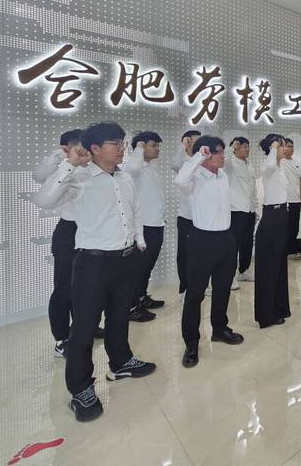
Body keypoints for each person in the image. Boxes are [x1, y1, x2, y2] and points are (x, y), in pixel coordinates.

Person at [34, 122, 156, 422]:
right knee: (85, 327)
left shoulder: (124, 177)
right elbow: (44, 200)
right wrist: (69, 164)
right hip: (93, 262)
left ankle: (121, 361)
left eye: (122, 142)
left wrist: (139, 240)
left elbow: (135, 210)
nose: (121, 148)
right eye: (115, 143)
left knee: (119, 316)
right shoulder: (79, 176)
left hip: (125, 258)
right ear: (95, 148)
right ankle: (81, 388)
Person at [174, 136, 244, 368]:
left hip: (226, 238)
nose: (223, 156)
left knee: (223, 289)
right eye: (218, 152)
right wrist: (197, 157)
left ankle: (220, 329)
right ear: (205, 154)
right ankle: (191, 342)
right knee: (195, 294)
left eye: (223, 151)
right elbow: (179, 180)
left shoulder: (222, 175)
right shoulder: (194, 177)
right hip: (201, 240)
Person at [33, 129, 102, 356]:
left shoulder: (95, 170)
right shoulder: (64, 170)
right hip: (69, 232)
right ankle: (61, 339)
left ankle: (85, 327)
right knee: (64, 289)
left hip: (92, 232)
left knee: (87, 288)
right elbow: (39, 178)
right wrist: (61, 156)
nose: (88, 151)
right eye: (82, 147)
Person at [122, 131, 166, 323]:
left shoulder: (150, 167)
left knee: (146, 267)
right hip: (143, 226)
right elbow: (131, 168)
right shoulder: (134, 166)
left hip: (156, 223)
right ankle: (131, 307)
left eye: (158, 145)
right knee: (138, 269)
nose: (157, 149)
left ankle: (141, 297)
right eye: (153, 145)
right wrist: (138, 148)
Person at [254, 134, 291, 328]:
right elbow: (268, 165)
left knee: (279, 265)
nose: (285, 149)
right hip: (271, 218)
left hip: (282, 216)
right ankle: (267, 315)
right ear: (273, 148)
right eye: (282, 146)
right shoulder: (267, 167)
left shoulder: (279, 167)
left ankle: (280, 306)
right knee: (269, 268)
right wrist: (273, 147)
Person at [224, 136, 257, 291]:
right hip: (236, 210)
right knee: (233, 245)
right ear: (236, 148)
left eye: (248, 146)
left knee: (247, 243)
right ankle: (230, 276)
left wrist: (255, 206)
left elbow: (252, 188)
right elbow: (225, 160)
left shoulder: (249, 164)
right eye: (244, 146)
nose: (247, 149)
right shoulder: (230, 163)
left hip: (249, 209)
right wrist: (231, 147)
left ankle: (244, 270)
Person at [171, 129, 201, 294]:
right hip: (187, 217)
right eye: (194, 141)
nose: (198, 145)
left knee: (201, 254)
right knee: (184, 255)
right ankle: (185, 289)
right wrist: (182, 145)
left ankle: (200, 285)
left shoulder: (203, 161)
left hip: (203, 218)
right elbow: (174, 164)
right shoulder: (184, 162)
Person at [281, 137, 301, 259]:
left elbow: (300, 181)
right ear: (283, 147)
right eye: (288, 146)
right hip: (284, 201)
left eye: (292, 146)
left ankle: (291, 251)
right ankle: (285, 251)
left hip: (296, 201)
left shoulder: (297, 163)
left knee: (294, 227)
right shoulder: (280, 162)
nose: (291, 149)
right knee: (285, 227)